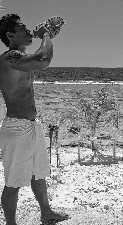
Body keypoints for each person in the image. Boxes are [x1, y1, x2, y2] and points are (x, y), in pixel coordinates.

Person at [0, 14, 69, 225]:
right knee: (13, 182)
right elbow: (43, 60)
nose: (28, 30)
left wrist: (48, 38)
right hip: (17, 128)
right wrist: (46, 35)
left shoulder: (19, 59)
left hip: (30, 124)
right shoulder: (10, 58)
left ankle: (46, 212)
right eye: (22, 28)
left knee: (38, 173)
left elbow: (40, 56)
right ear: (11, 35)